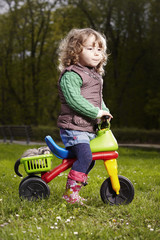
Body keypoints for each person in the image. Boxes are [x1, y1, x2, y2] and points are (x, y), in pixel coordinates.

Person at [57, 28, 113, 204]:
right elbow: (75, 100)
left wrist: (104, 111)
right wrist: (96, 112)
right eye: (90, 48)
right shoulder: (71, 75)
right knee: (86, 157)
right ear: (75, 51)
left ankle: (76, 187)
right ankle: (70, 195)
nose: (96, 53)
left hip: (86, 127)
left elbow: (98, 100)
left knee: (90, 160)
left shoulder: (95, 76)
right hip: (73, 128)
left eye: (99, 49)